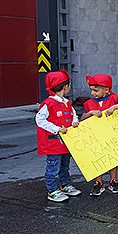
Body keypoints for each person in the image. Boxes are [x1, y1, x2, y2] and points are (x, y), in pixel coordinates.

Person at [35, 70, 82, 202]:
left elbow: (73, 115)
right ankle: (52, 190)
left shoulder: (67, 103)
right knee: (53, 167)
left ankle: (65, 185)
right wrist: (56, 129)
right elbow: (40, 120)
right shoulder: (48, 103)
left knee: (65, 165)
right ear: (65, 86)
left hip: (66, 143)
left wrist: (75, 121)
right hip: (54, 144)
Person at [82, 74, 118, 196]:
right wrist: (91, 113)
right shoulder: (88, 103)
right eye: (91, 90)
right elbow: (82, 117)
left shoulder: (113, 99)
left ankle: (113, 180)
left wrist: (114, 107)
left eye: (96, 90)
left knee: (112, 159)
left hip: (110, 137)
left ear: (106, 90)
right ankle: (98, 182)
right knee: (98, 159)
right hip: (96, 137)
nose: (93, 93)